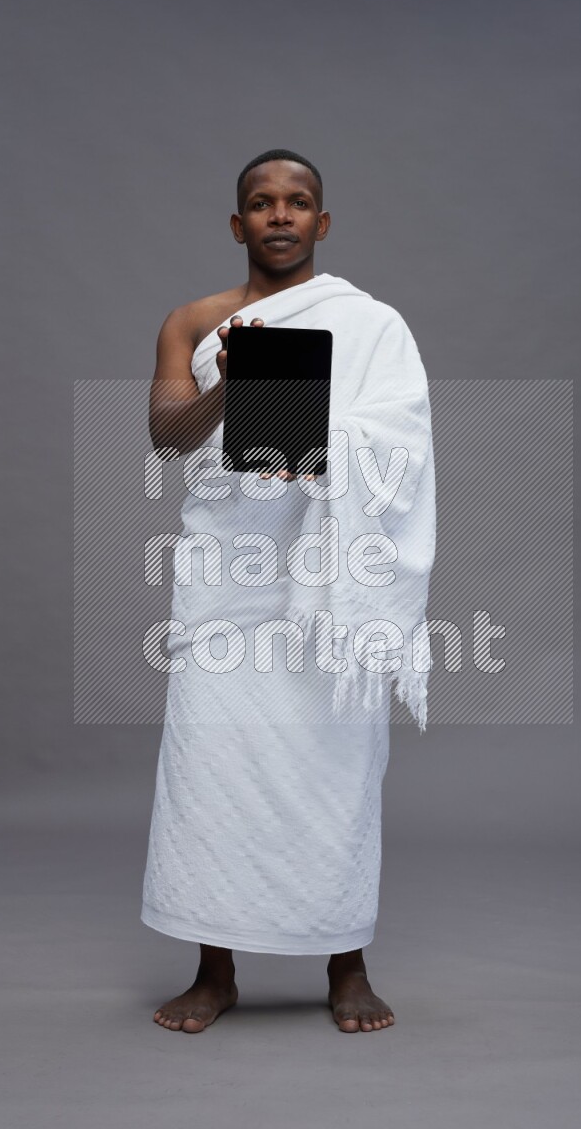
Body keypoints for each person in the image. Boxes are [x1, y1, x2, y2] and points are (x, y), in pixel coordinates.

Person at [141, 148, 435, 1033]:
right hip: (230, 573)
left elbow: (402, 439)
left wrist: (319, 429)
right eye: (261, 203)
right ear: (238, 224)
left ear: (322, 222)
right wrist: (235, 387)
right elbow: (164, 435)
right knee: (213, 765)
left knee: (337, 762)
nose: (279, 215)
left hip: (329, 584)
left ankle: (345, 961)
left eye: (297, 202)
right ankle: (214, 967)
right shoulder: (192, 321)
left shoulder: (371, 323)